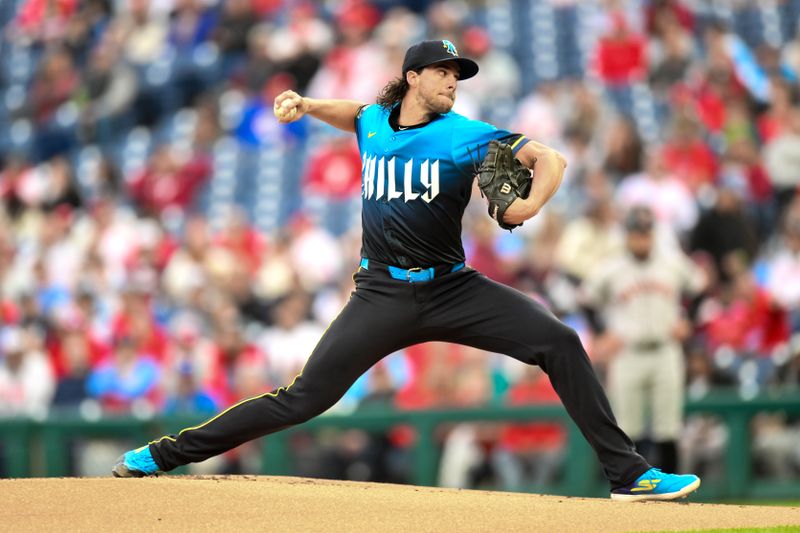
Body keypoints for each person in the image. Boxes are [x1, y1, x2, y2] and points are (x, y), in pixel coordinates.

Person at [113, 39, 701, 501]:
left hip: (451, 287)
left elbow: (551, 157)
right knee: (301, 398)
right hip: (380, 295)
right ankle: (164, 455)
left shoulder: (465, 136)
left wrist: (528, 204)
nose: (453, 81)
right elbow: (359, 114)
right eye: (444, 72)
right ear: (414, 77)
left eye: (459, 75)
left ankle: (628, 474)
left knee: (560, 341)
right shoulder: (375, 121)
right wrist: (310, 105)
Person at [581, 205, 705, 473]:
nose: (641, 239)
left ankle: (673, 491)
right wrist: (602, 333)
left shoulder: (671, 261)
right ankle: (631, 488)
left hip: (665, 349)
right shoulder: (612, 267)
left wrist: (688, 321)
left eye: (646, 233)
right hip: (628, 352)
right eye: (637, 233)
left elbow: (699, 288)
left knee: (668, 427)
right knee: (628, 428)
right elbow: (586, 300)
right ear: (627, 235)